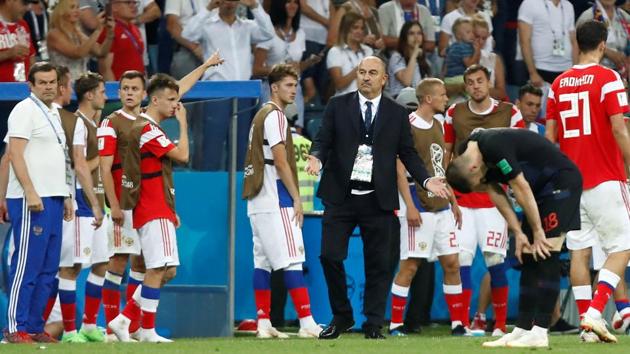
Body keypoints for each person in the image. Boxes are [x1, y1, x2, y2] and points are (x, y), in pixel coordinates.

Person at [306, 56, 450, 339]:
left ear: (385, 79)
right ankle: (342, 316)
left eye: (372, 73)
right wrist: (316, 158)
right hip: (341, 196)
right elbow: (323, 139)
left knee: (380, 265)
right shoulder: (338, 105)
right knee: (329, 256)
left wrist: (425, 179)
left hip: (378, 198)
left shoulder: (397, 113)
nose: (366, 77)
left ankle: (373, 323)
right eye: (361, 72)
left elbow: (407, 153)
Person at [97, 55, 223, 341]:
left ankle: (131, 324)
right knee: (122, 263)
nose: (129, 93)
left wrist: (204, 67)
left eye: (134, 88)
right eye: (124, 88)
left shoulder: (145, 118)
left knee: (150, 267)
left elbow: (175, 90)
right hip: (129, 202)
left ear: (144, 94)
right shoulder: (117, 123)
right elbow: (105, 166)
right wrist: (113, 204)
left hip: (149, 201)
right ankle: (115, 326)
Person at [446, 128, 582, 348]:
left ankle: (540, 331)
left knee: (547, 251)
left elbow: (520, 186)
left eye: (478, 181)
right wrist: (518, 232)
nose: (481, 182)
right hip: (538, 193)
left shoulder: (494, 147)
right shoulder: (467, 151)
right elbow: (494, 192)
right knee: (527, 256)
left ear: (472, 168)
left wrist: (537, 231)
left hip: (560, 183)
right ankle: (523, 329)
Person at [545, 19, 630, 344]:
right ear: (603, 45)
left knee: (579, 252)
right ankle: (595, 313)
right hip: (605, 176)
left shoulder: (558, 83)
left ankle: (586, 328)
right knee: (623, 246)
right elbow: (620, 128)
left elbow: (551, 137)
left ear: (576, 43)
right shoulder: (608, 78)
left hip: (570, 182)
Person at [443, 64, 524, 336]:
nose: (476, 86)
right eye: (471, 82)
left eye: (480, 80)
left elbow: (521, 151)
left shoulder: (510, 112)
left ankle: (500, 326)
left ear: (489, 83)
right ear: (465, 86)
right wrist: (448, 192)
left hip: (495, 200)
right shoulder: (454, 113)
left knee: (495, 261)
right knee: (460, 261)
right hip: (462, 201)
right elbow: (447, 154)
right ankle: (460, 324)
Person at [243, 63, 322, 339]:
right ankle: (307, 322)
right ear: (274, 88)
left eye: (295, 85)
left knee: (262, 262)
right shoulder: (276, 116)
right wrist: (297, 199)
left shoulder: (259, 115)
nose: (293, 90)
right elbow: (280, 160)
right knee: (292, 260)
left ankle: (263, 323)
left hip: (257, 199)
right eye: (288, 85)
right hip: (276, 197)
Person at [107, 74, 188, 343]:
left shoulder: (146, 126)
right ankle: (145, 329)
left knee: (167, 270)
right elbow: (183, 156)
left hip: (156, 205)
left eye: (177, 100)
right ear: (154, 100)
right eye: (171, 100)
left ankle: (125, 319)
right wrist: (184, 125)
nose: (176, 105)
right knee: (158, 267)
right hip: (151, 206)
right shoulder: (148, 129)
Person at [388, 78, 466, 337]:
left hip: (442, 203)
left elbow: (440, 167)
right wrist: (409, 206)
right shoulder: (407, 126)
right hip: (416, 200)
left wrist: (453, 201)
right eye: (443, 95)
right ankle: (396, 324)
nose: (446, 99)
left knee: (452, 262)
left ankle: (458, 325)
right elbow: (399, 169)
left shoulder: (440, 124)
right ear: (428, 99)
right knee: (410, 265)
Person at [3, 62, 73, 343]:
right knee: (26, 265)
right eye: (41, 82)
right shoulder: (24, 110)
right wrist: (30, 191)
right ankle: (14, 327)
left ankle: (33, 326)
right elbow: (15, 155)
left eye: (52, 82)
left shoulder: (54, 113)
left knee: (48, 268)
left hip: (54, 196)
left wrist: (66, 194)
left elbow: (59, 159)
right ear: (30, 85)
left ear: (58, 84)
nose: (47, 86)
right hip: (32, 198)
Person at [56, 71, 108, 343]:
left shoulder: (91, 122)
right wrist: (95, 204)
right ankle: (69, 331)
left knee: (102, 262)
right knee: (73, 266)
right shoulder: (77, 123)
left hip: (98, 202)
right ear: (89, 95)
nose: (106, 96)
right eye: (102, 91)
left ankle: (89, 324)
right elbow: (79, 167)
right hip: (82, 202)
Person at [253, 0, 322, 129]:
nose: (293, 5)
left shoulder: (300, 33)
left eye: (295, 2)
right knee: (271, 134)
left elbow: (296, 68)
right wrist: (281, 69)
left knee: (295, 133)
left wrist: (308, 62)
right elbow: (256, 69)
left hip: (294, 90)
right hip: (271, 90)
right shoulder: (268, 34)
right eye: (288, 2)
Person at [181, 0, 274, 81]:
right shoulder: (207, 26)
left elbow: (269, 33)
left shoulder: (247, 26)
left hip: (244, 87)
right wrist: (208, 8)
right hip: (215, 86)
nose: (229, 2)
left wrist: (255, 7)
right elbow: (187, 35)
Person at [47, 0, 114, 81]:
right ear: (61, 11)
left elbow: (100, 52)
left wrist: (110, 35)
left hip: (82, 85)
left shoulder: (78, 33)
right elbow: (77, 53)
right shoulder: (54, 34)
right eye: (72, 7)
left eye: (78, 7)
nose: (77, 11)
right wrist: (97, 31)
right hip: (64, 84)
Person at [576, 0, 630, 76]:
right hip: (595, 73)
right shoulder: (588, 16)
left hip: (623, 73)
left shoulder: (625, 17)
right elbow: (580, 46)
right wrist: (607, 52)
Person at [327, 12, 373, 96]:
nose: (359, 31)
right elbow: (339, 84)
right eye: (355, 27)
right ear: (346, 28)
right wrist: (358, 69)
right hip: (344, 102)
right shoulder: (335, 52)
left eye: (362, 28)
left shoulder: (368, 51)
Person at [98, 0, 145, 80]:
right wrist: (113, 90)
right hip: (121, 87)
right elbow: (105, 69)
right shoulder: (109, 30)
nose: (133, 6)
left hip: (137, 85)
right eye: (128, 2)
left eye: (135, 3)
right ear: (114, 6)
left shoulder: (135, 29)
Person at [386, 21, 431, 98]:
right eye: (411, 33)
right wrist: (414, 55)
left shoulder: (424, 60)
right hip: (399, 100)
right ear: (405, 37)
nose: (416, 37)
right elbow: (406, 81)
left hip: (418, 101)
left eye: (419, 33)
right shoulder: (397, 57)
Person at [0, 0, 35, 82]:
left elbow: (31, 58)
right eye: (24, 3)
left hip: (23, 88)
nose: (27, 8)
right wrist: (8, 53)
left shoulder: (23, 25)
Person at [443, 18, 481, 86]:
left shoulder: (453, 45)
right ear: (458, 36)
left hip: (448, 79)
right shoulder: (464, 47)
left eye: (473, 32)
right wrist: (477, 51)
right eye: (468, 32)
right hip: (459, 79)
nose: (472, 34)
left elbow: (443, 53)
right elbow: (469, 66)